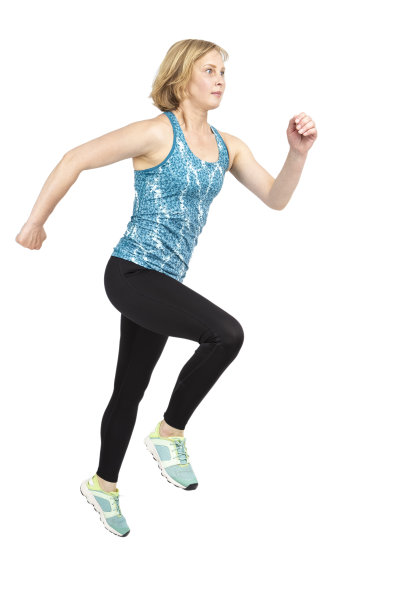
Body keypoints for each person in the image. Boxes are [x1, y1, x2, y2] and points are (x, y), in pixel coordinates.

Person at [15, 38, 317, 537]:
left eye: (223, 71)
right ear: (181, 78)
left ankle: (102, 484)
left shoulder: (228, 146)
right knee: (226, 334)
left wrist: (297, 155)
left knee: (129, 389)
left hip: (165, 283)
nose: (220, 79)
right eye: (209, 70)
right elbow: (75, 158)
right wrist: (35, 222)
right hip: (131, 273)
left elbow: (275, 197)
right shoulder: (156, 132)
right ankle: (170, 431)